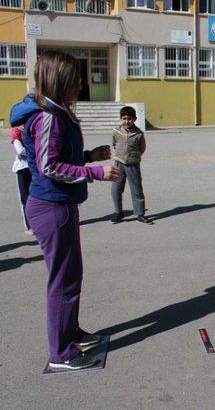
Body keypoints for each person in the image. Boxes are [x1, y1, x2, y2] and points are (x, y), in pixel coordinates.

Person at [9, 50, 120, 370]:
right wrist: (95, 172)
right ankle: (60, 353)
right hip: (50, 207)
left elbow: (59, 157)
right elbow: (48, 167)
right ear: (60, 82)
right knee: (62, 281)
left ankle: (70, 333)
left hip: (61, 204)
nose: (80, 84)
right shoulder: (47, 117)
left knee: (72, 275)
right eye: (75, 79)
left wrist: (87, 155)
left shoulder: (57, 112)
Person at [110, 106, 152, 224]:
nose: (127, 121)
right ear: (121, 119)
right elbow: (114, 143)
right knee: (116, 189)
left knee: (136, 189)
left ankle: (139, 214)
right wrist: (120, 155)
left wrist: (133, 157)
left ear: (134, 119)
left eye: (129, 119)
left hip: (133, 164)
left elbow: (142, 148)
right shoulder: (116, 131)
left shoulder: (138, 134)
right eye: (124, 118)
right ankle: (118, 213)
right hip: (118, 164)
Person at [9, 122, 32, 235]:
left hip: (34, 166)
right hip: (22, 168)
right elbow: (20, 150)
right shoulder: (16, 131)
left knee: (37, 196)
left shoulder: (34, 127)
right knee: (25, 198)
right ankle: (28, 226)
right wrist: (35, 152)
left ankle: (39, 222)